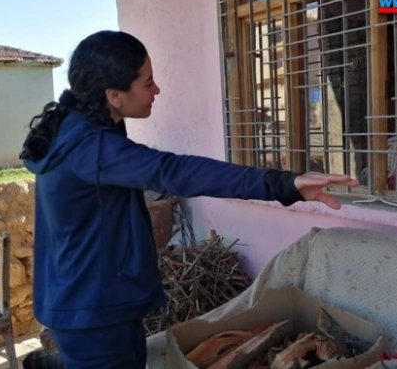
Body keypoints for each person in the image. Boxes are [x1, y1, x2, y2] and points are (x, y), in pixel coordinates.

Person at [19, 30, 358, 369]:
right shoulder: (90, 146)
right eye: (147, 82)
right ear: (114, 95)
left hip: (92, 299)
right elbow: (176, 171)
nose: (157, 90)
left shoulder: (80, 125)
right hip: (93, 311)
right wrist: (284, 184)